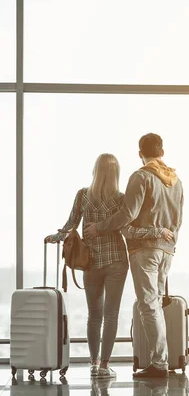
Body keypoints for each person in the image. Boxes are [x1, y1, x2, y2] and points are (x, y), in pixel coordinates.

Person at [46, 153, 172, 379]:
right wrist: (158, 232)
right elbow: (130, 231)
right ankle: (104, 366)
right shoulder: (121, 200)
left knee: (94, 315)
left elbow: (70, 225)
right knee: (111, 315)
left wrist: (55, 237)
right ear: (116, 174)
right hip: (116, 262)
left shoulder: (83, 195)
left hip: (90, 262)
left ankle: (93, 364)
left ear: (95, 170)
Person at [84, 133, 184, 379]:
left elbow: (128, 213)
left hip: (144, 248)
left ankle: (159, 364)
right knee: (156, 303)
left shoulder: (141, 177)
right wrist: (170, 243)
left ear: (141, 153)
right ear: (162, 151)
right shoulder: (176, 180)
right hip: (167, 248)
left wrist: (100, 227)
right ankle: (160, 361)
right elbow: (178, 219)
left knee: (148, 305)